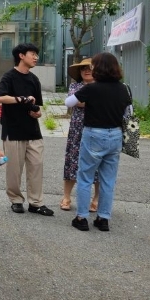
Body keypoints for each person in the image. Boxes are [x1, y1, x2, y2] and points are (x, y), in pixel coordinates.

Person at [64, 51, 132, 233]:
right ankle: (103, 219)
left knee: (85, 176)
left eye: (93, 65)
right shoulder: (123, 88)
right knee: (108, 179)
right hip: (116, 135)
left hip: (94, 134)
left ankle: (82, 218)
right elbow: (128, 113)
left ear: (99, 68)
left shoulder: (91, 88)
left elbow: (68, 102)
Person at [0, 43, 54, 216]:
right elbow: (0, 97)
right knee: (14, 170)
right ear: (21, 56)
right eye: (32, 54)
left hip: (33, 131)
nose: (36, 57)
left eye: (37, 54)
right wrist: (20, 99)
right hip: (13, 130)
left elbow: (37, 107)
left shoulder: (34, 79)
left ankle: (36, 203)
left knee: (36, 167)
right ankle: (16, 200)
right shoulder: (9, 77)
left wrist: (37, 113)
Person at [61, 58, 99, 212]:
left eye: (89, 68)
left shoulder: (101, 86)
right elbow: (75, 102)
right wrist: (93, 100)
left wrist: (84, 99)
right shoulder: (75, 85)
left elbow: (80, 101)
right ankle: (66, 196)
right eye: (83, 69)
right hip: (77, 129)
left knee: (98, 165)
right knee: (72, 161)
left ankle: (96, 199)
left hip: (97, 129)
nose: (86, 71)